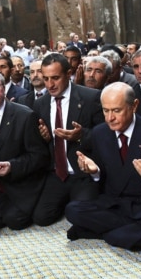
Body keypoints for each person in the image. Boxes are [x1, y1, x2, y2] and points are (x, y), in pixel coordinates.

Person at [66, 82, 141, 250]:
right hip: (114, 205)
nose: (110, 118)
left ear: (134, 105)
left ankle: (102, 233)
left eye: (116, 110)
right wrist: (95, 172)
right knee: (73, 210)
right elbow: (101, 179)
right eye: (106, 110)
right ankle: (126, 232)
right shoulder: (100, 132)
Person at [32, 53, 103, 226]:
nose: (50, 84)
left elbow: (105, 135)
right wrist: (46, 138)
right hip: (56, 174)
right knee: (41, 219)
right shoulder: (40, 104)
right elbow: (37, 145)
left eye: (55, 78)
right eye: (46, 78)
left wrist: (82, 135)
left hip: (83, 173)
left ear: (68, 73)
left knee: (80, 216)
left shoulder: (90, 97)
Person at [0, 70, 49, 231]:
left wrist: (12, 166)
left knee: (14, 220)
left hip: (20, 183)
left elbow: (40, 156)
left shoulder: (25, 115)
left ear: (4, 88)